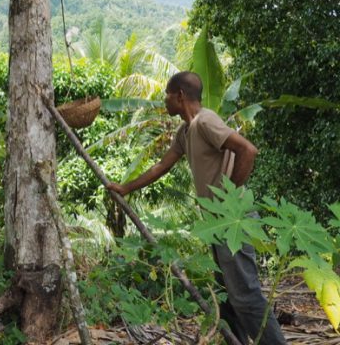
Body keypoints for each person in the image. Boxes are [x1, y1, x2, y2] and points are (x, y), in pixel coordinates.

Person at [107, 71, 286, 345]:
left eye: (166, 96)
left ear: (180, 96)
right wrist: (126, 188)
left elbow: (248, 150)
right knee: (226, 297)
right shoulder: (185, 131)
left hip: (231, 219)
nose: (164, 102)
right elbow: (160, 166)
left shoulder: (206, 121)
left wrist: (229, 199)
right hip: (217, 223)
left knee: (246, 297)